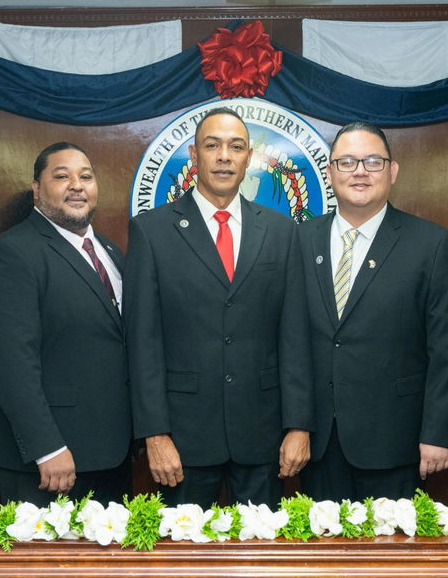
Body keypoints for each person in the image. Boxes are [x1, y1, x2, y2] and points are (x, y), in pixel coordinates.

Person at [125, 107, 312, 506]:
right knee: (184, 565)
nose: (224, 155)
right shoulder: (152, 232)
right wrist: (154, 434)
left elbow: (294, 335)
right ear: (194, 156)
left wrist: (298, 425)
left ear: (249, 158)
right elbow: (143, 342)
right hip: (182, 439)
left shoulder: (281, 232)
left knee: (261, 562)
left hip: (263, 437)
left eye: (236, 146)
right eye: (212, 145)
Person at [297, 121, 448, 501]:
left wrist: (438, 434)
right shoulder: (299, 240)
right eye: (347, 162)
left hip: (396, 441)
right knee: (323, 557)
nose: (360, 171)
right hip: (318, 442)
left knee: (392, 558)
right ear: (330, 172)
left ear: (392, 171)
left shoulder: (433, 244)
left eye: (373, 161)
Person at [0, 143, 132, 504]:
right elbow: (10, 362)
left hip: (109, 453)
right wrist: (46, 447)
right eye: (62, 176)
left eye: (85, 176)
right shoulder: (12, 253)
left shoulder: (109, 251)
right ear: (36, 189)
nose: (76, 185)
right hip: (48, 463)